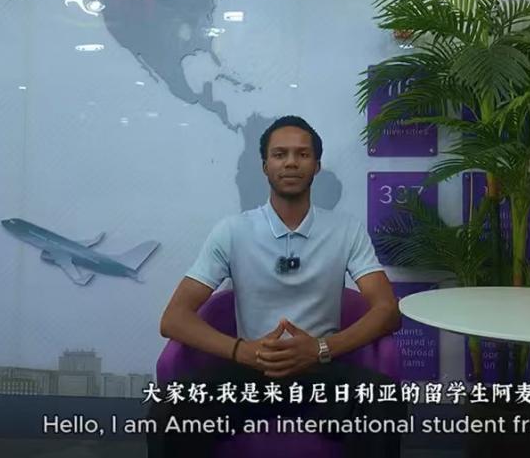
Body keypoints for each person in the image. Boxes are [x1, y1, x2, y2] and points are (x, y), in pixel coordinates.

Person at [149, 115, 406, 458]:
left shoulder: (346, 230)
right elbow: (174, 319)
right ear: (265, 166)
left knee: (382, 399)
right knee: (171, 406)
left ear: (317, 166)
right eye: (279, 154)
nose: (290, 163)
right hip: (250, 370)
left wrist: (320, 349)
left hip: (321, 370)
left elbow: (388, 312)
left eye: (302, 154)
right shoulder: (233, 231)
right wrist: (243, 351)